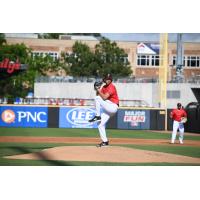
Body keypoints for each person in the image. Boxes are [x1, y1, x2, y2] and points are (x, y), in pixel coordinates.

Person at [88, 74, 119, 147]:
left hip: (113, 107)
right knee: (100, 124)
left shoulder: (111, 87)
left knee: (97, 99)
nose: (107, 80)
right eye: (106, 79)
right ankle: (105, 142)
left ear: (111, 80)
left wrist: (98, 89)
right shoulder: (104, 87)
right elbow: (98, 95)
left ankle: (97, 116)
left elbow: (104, 97)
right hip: (108, 109)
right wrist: (97, 88)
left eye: (109, 79)